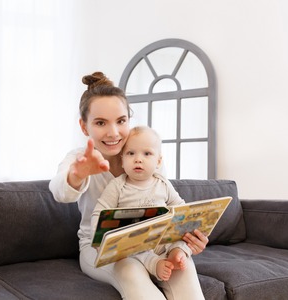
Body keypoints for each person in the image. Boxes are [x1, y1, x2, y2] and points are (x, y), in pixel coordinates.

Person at [49, 72, 208, 300]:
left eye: (121, 121)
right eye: (101, 123)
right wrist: (78, 173)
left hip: (154, 244)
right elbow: (58, 190)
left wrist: (189, 237)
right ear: (84, 127)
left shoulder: (145, 155)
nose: (113, 132)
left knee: (184, 267)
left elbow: (171, 207)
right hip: (101, 250)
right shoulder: (79, 158)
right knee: (130, 269)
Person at [91, 126, 194, 283]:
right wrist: (99, 239)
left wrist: (190, 223)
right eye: (131, 153)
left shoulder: (163, 183)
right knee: (130, 250)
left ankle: (177, 253)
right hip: (135, 244)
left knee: (180, 241)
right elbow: (99, 213)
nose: (138, 159)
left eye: (147, 153)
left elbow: (181, 208)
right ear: (122, 160)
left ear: (158, 161)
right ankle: (155, 264)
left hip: (162, 239)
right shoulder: (117, 185)